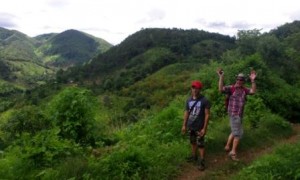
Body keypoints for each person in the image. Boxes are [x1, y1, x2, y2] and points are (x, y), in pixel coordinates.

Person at [217, 69, 257, 161]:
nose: (239, 81)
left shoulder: (244, 90)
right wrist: (221, 77)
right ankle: (233, 152)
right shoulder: (231, 88)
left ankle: (227, 146)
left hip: (239, 115)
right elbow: (220, 89)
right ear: (236, 80)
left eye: (241, 80)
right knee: (238, 134)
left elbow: (253, 91)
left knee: (235, 130)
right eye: (238, 79)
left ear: (243, 81)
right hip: (233, 114)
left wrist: (253, 80)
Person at [182, 80, 211, 171]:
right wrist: (184, 125)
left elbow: (207, 115)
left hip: (199, 127)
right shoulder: (188, 100)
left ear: (200, 89)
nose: (194, 90)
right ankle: (194, 156)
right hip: (191, 126)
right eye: (193, 87)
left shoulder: (204, 100)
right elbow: (186, 113)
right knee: (193, 142)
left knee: (201, 145)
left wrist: (204, 128)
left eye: (196, 88)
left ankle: (202, 162)